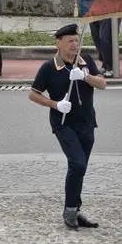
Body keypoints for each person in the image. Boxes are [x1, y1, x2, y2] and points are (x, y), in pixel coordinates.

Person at [28, 24, 107, 229]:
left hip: (87, 122)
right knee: (78, 164)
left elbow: (102, 84)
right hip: (64, 124)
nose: (75, 44)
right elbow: (33, 94)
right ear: (59, 42)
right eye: (70, 41)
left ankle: (75, 209)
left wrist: (85, 76)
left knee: (80, 168)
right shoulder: (49, 67)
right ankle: (70, 211)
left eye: (76, 40)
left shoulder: (85, 60)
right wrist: (55, 105)